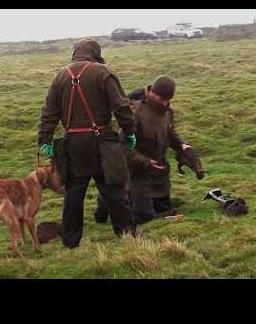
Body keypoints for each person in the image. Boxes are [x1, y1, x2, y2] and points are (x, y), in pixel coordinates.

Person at [38, 39, 138, 248]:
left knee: (74, 194)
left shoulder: (60, 76)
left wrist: (45, 139)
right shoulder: (103, 72)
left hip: (73, 144)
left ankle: (71, 241)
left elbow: (49, 112)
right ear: (95, 53)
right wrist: (129, 132)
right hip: (103, 142)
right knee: (114, 191)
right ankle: (127, 235)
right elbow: (121, 107)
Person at [94, 75, 195, 225]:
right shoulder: (135, 114)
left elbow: (170, 132)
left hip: (159, 172)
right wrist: (144, 162)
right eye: (161, 99)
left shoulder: (167, 112)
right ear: (151, 93)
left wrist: (181, 145)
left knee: (163, 211)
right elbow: (124, 145)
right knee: (144, 215)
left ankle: (117, 197)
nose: (164, 103)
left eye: (167, 100)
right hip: (136, 173)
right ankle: (107, 200)